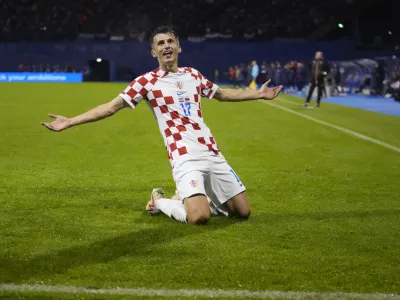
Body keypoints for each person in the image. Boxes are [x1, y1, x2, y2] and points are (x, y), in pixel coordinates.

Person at [41, 25, 283, 225]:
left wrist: (259, 95)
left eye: (170, 41)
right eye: (160, 43)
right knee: (198, 218)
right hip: (184, 156)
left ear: (179, 47)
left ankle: (197, 196)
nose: (166, 45)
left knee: (243, 212)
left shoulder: (194, 75)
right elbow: (111, 107)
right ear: (153, 52)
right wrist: (70, 121)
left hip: (211, 151)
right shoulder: (146, 83)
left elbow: (221, 94)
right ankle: (158, 201)